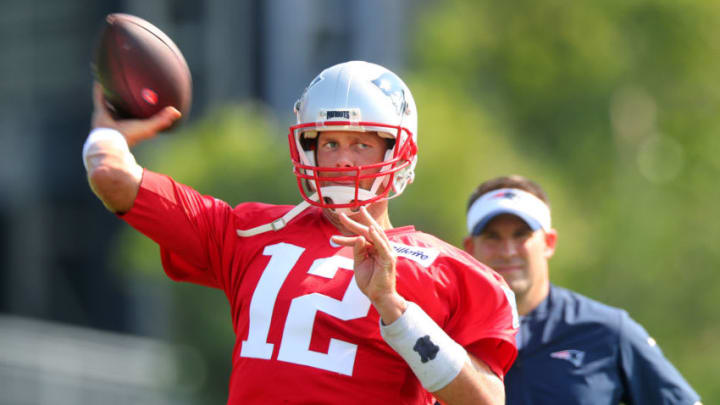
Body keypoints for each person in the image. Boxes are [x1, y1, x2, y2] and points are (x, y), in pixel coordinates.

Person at [82, 61, 518, 404]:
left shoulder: (444, 269)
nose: (343, 160)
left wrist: (395, 309)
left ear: (399, 151)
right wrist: (107, 137)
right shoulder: (252, 231)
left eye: (362, 142)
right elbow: (112, 177)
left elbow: (484, 402)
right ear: (306, 147)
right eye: (329, 143)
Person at [463, 174, 702, 404]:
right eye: (492, 237)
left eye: (521, 235)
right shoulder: (444, 333)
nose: (508, 251)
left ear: (549, 243)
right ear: (470, 248)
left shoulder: (606, 331)